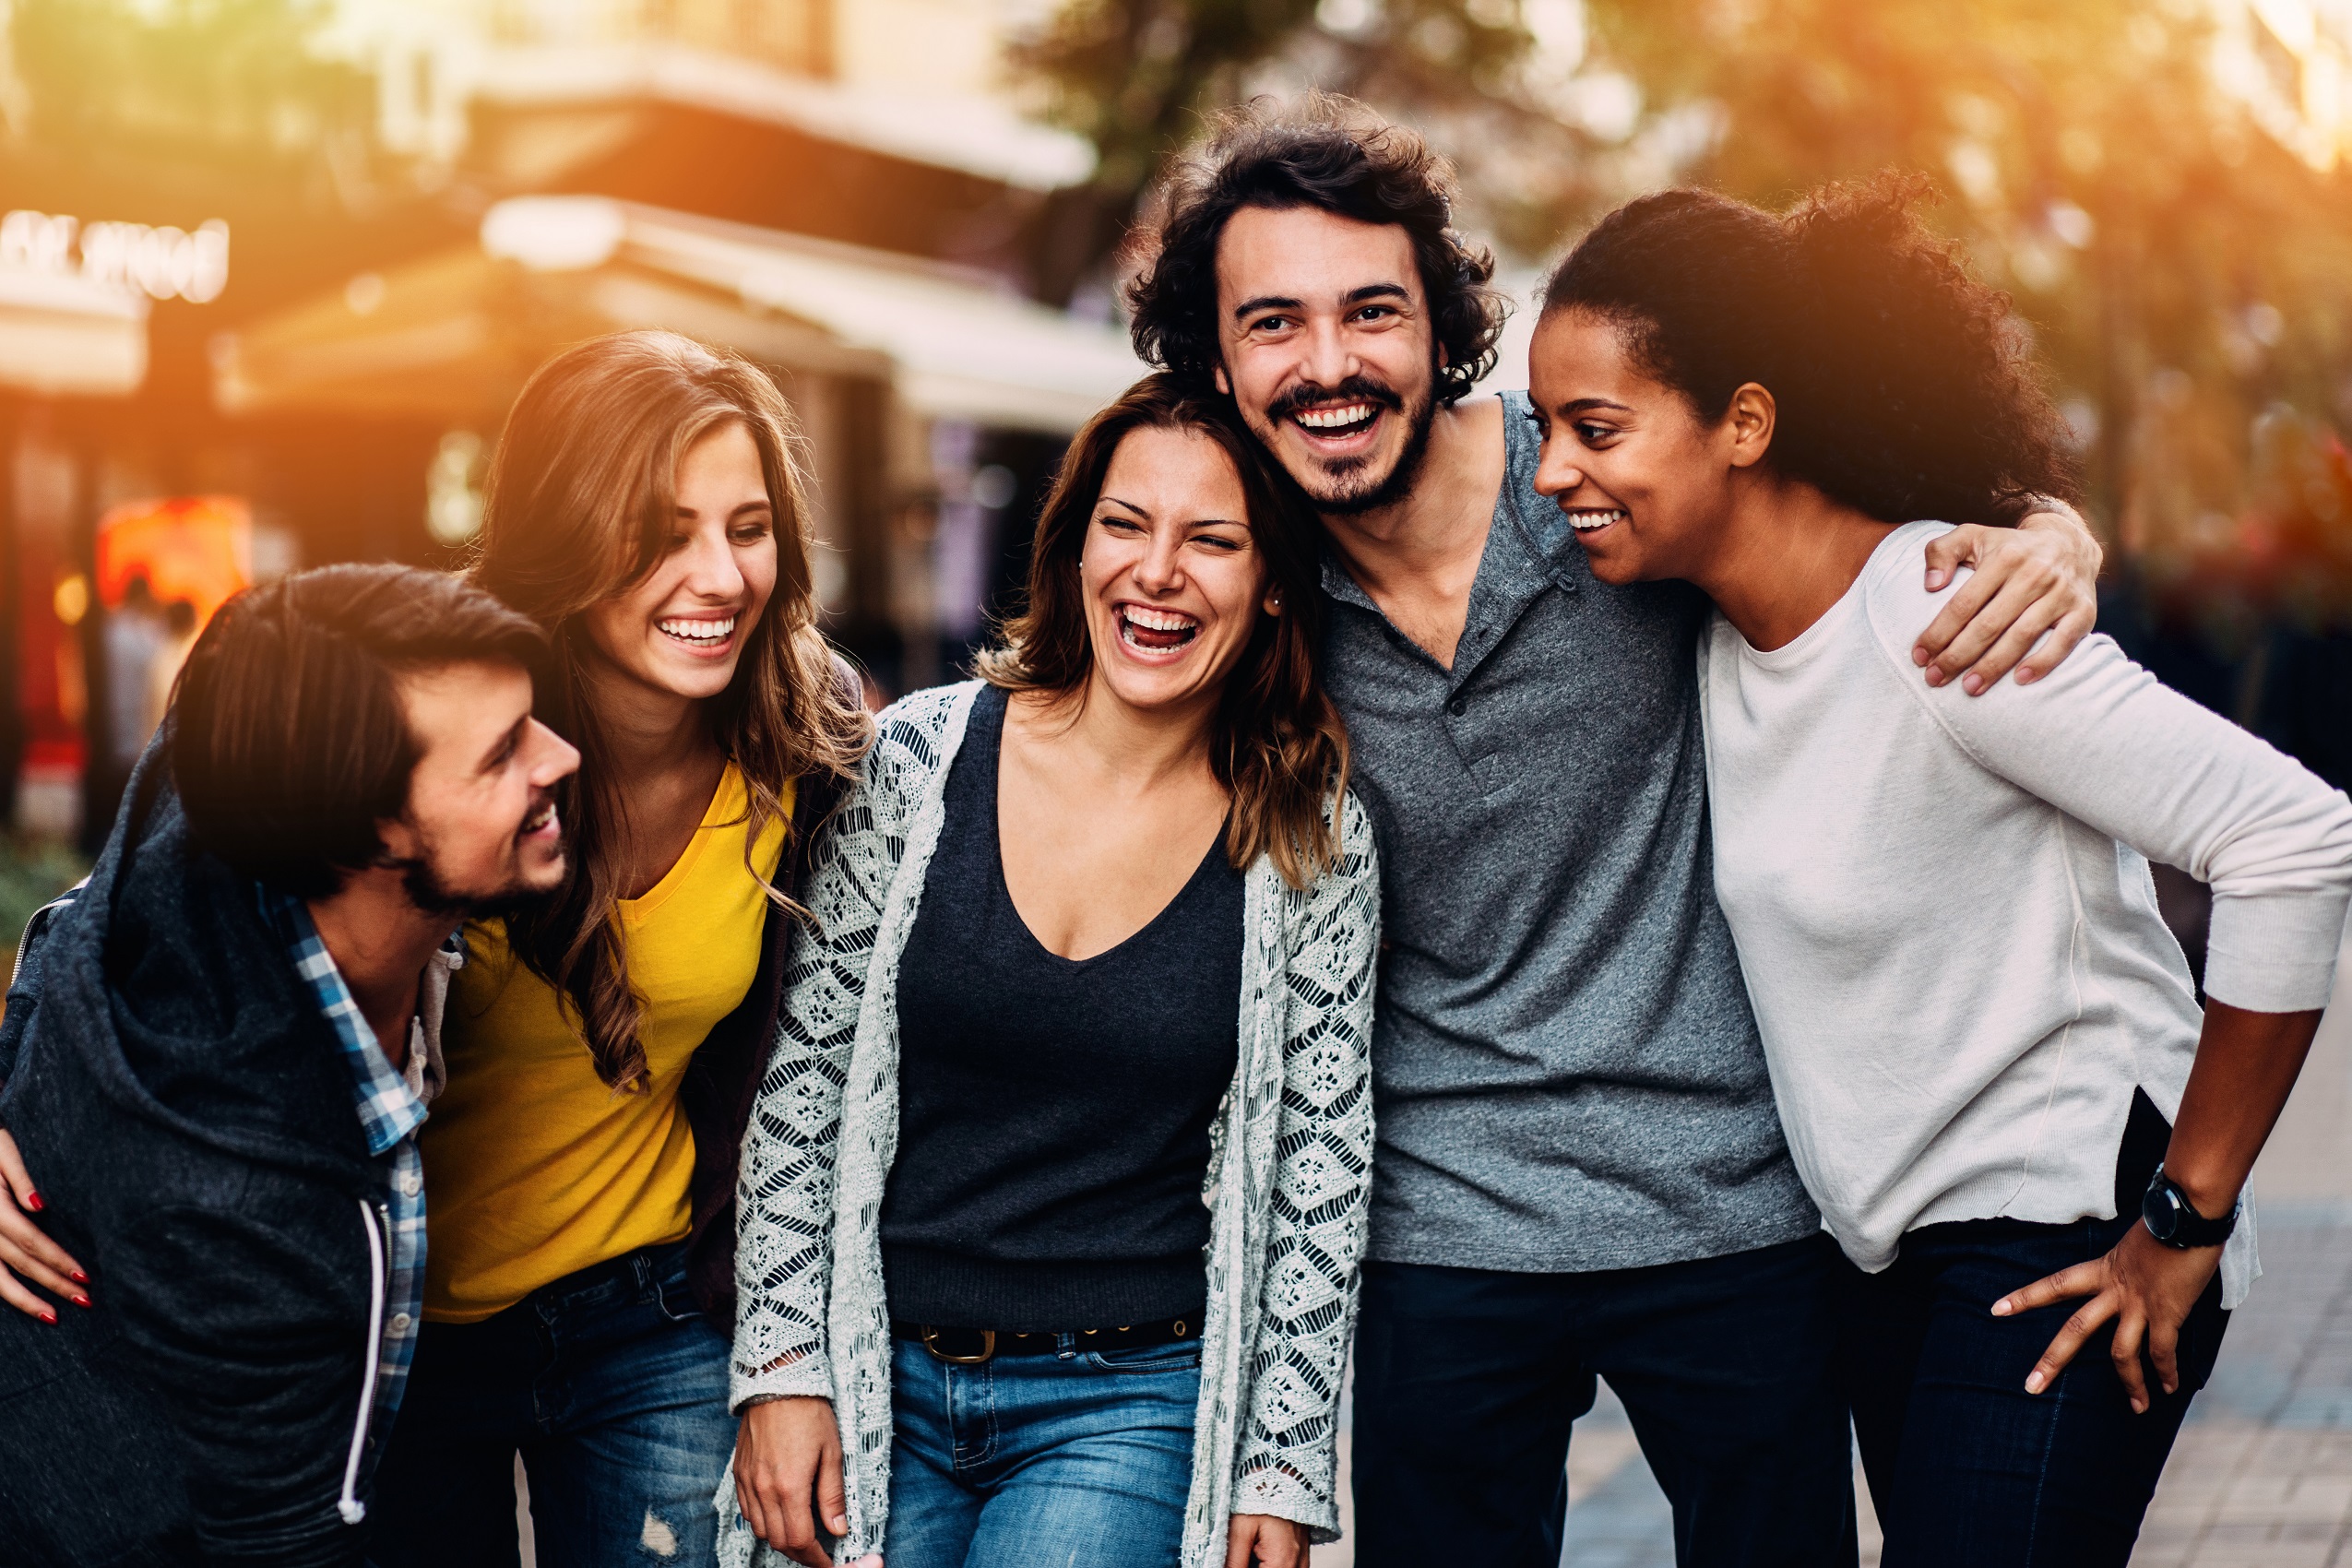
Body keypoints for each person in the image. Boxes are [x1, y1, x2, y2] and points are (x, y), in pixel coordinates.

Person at [1120, 96, 2108, 1565]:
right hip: (1435, 1226)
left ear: (1438, 322)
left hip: (1729, 1198)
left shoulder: (1602, 479)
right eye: (1273, 325)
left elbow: (1917, 494)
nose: (1326, 367)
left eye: (1369, 314)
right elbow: (1072, 699)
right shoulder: (1242, 591)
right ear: (1217, 361)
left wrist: (2048, 533)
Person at [1528, 176, 2352, 1564]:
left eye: (1594, 428)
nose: (1552, 470)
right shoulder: (1717, 638)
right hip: (1886, 1261)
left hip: (2062, 1233)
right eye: (1548, 428)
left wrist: (2186, 1213)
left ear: (1743, 421)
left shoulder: (1940, 618)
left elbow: (2290, 836)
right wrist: (2050, 516)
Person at [723, 374, 1381, 1568]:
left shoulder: (1309, 838)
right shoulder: (918, 760)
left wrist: (1278, 1465)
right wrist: (779, 1369)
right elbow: (803, 1089)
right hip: (881, 1370)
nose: (1156, 571)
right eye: (1123, 525)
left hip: (1128, 1400)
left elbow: (1317, 1170)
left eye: (1213, 541)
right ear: (1073, 543)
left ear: (1274, 579)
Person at [362, 330, 870, 1567]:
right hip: (398, 1335)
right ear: (568, 530)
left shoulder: (805, 735)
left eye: (747, 528)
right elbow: (158, 908)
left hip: (646, 1314)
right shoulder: (418, 709)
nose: (717, 576)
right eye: (658, 532)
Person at [0, 563, 577, 1566]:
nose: (562, 756)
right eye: (500, 757)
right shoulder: (235, 1190)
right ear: (367, 829)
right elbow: (282, 1544)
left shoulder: (236, 754)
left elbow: (74, 917)